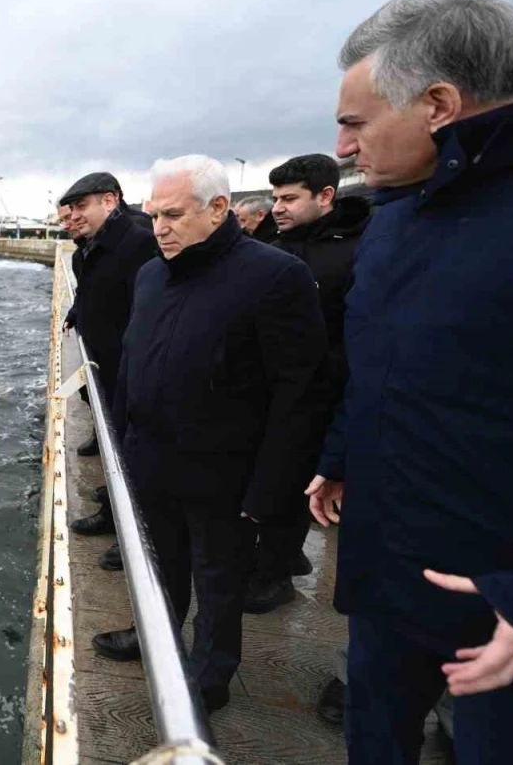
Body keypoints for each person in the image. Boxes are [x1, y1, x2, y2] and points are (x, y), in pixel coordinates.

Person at [306, 0, 513, 764]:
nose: (345, 149)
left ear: (438, 104)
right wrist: (339, 456)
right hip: (389, 581)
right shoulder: (399, 212)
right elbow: (384, 358)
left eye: (355, 123)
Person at [93, 155, 327, 715]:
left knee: (219, 580)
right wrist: (122, 449)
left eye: (173, 215)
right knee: (159, 564)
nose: (160, 228)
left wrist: (270, 491)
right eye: (153, 216)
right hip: (152, 459)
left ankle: (211, 674)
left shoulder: (275, 277)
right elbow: (132, 363)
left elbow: (301, 392)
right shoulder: (151, 274)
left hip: (224, 471)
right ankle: (156, 637)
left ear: (218, 208)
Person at [244, 153, 372, 616]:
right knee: (273, 477)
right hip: (272, 389)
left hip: (323, 393)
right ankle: (281, 557)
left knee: (296, 484)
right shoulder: (276, 245)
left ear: (325, 196)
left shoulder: (356, 250)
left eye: (289, 198)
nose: (278, 207)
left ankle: (274, 577)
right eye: (275, 198)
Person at [58, 173, 157, 543]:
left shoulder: (138, 244)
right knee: (117, 445)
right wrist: (76, 313)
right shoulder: (92, 244)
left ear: (110, 201)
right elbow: (91, 292)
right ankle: (114, 507)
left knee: (131, 452)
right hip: (107, 363)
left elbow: (145, 310)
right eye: (71, 210)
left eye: (82, 207)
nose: (75, 217)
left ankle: (131, 535)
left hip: (129, 367)